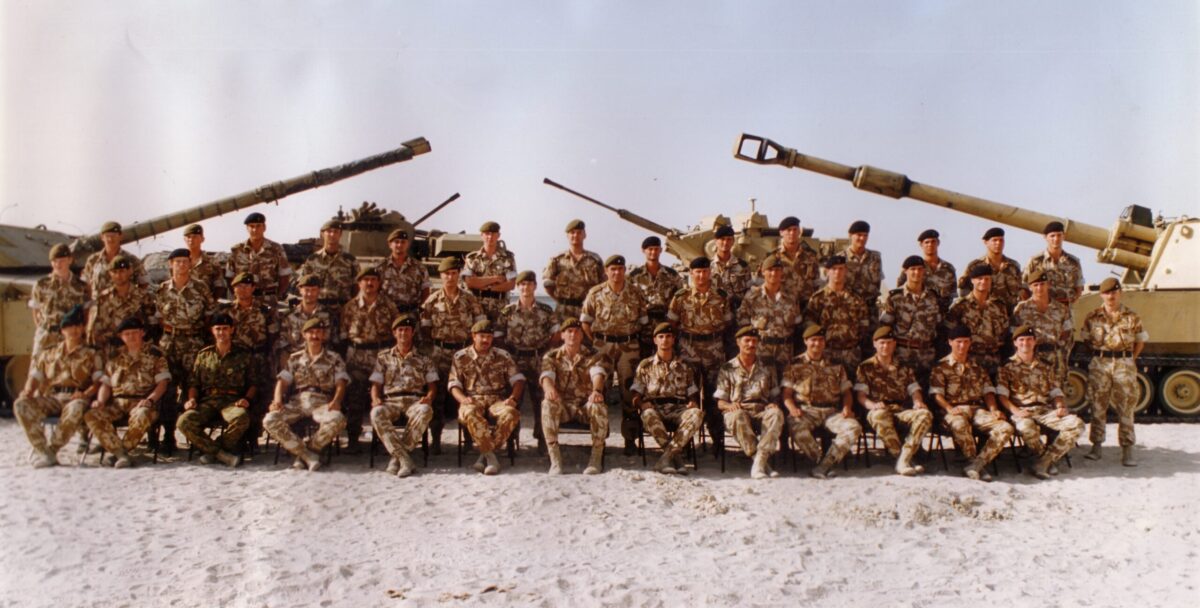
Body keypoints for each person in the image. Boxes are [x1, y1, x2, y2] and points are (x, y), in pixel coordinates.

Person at [14, 305, 102, 468]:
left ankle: (51, 451)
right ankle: (43, 450)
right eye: (69, 327)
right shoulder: (48, 353)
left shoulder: (92, 353)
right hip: (52, 398)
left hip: (77, 397)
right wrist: (28, 391)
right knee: (21, 404)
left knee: (76, 407)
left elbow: (98, 382)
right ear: (62, 330)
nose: (74, 330)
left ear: (83, 328)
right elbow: (35, 376)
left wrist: (86, 393)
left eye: (78, 326)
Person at [995, 325, 1084, 479]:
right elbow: (1002, 395)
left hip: (1044, 410)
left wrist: (1060, 405)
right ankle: (1045, 459)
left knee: (1077, 424)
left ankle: (1044, 462)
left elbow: (1055, 391)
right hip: (1022, 410)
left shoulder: (1045, 366)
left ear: (1035, 342)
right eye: (1021, 340)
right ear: (1015, 343)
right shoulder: (1006, 367)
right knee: (1027, 427)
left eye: (1029, 339)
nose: (1025, 343)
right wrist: (1016, 411)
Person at [581, 254, 648, 455]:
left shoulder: (636, 293)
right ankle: (600, 439)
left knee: (629, 394)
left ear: (624, 270)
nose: (616, 272)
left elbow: (644, 323)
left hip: (629, 348)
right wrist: (596, 341)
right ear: (606, 271)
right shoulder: (595, 293)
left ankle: (630, 440)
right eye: (612, 269)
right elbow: (585, 321)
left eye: (620, 269)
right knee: (600, 391)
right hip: (603, 347)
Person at [929, 325, 1014, 482]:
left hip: (977, 410)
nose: (962, 346)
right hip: (952, 410)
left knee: (1005, 427)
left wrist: (994, 410)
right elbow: (936, 395)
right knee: (960, 424)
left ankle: (976, 465)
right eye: (958, 342)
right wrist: (949, 408)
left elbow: (988, 392)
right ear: (950, 342)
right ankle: (975, 464)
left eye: (966, 342)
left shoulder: (977, 367)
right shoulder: (941, 367)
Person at [264, 318, 349, 472]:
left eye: (318, 332)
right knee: (270, 420)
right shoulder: (295, 358)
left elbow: (341, 383)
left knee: (338, 419)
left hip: (322, 402)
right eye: (311, 332)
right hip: (298, 402)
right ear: (304, 335)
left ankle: (307, 451)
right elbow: (282, 382)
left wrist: (336, 401)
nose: (314, 336)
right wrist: (277, 400)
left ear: (324, 335)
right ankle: (306, 455)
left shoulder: (334, 358)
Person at [84, 317, 170, 468]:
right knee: (92, 414)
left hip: (142, 402)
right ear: (121, 337)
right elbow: (106, 384)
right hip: (117, 402)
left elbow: (162, 384)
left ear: (142, 333)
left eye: (134, 333)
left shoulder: (155, 354)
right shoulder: (114, 357)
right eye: (127, 334)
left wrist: (149, 401)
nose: (131, 337)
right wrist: (101, 401)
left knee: (142, 415)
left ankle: (119, 452)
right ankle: (121, 454)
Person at [781, 325, 863, 479]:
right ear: (805, 341)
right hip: (807, 410)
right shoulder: (794, 365)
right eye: (813, 340)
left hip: (831, 412)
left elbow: (846, 392)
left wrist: (847, 408)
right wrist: (792, 408)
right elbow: (786, 394)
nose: (817, 344)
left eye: (820, 340)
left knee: (853, 427)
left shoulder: (836, 365)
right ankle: (821, 461)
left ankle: (825, 465)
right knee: (795, 424)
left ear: (825, 342)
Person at [421, 257, 485, 453]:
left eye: (454, 273)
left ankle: (468, 440)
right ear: (441, 276)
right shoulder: (431, 301)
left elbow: (480, 325)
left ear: (458, 275)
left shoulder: (470, 299)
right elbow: (424, 330)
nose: (450, 277)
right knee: (438, 397)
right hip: (440, 353)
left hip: (464, 353)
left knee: (466, 395)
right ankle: (436, 440)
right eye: (446, 274)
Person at [1081, 277, 1147, 466]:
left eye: (1114, 292)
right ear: (1101, 295)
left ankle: (1127, 449)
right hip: (1100, 364)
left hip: (1124, 365)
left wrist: (1129, 359)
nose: (1111, 296)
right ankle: (1096, 446)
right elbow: (1086, 340)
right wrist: (1100, 354)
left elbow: (1140, 341)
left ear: (1120, 293)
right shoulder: (1092, 316)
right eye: (1107, 292)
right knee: (1097, 405)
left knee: (1126, 406)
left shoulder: (1132, 316)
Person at [154, 248, 214, 454]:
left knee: (194, 388)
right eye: (177, 261)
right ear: (170, 264)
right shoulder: (162, 290)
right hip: (169, 343)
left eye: (184, 261)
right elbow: (157, 318)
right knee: (168, 391)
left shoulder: (201, 288)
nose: (181, 265)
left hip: (193, 343)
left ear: (190, 264)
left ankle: (194, 437)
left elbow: (209, 317)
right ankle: (168, 436)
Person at [448, 320, 525, 475]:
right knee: (469, 413)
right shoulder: (461, 357)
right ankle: (492, 458)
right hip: (471, 398)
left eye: (489, 336)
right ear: (473, 336)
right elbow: (453, 384)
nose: (485, 340)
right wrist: (462, 399)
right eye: (482, 336)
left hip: (497, 399)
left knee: (511, 413)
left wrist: (513, 399)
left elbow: (518, 380)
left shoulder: (502, 356)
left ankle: (484, 455)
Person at [177, 313, 254, 468]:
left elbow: (254, 383)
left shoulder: (243, 354)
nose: (221, 333)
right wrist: (192, 399)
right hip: (208, 401)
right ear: (212, 331)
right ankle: (220, 454)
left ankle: (213, 451)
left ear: (232, 330)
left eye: (225, 329)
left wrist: (247, 399)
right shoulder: (204, 355)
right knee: (184, 422)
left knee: (242, 418)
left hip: (232, 401)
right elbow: (194, 383)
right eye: (218, 329)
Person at [854, 326, 933, 476]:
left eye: (889, 342)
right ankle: (904, 460)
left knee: (925, 414)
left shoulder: (903, 366)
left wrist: (917, 402)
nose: (886, 346)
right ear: (874, 344)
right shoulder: (865, 367)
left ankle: (904, 459)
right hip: (878, 410)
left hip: (900, 410)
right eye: (882, 343)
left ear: (894, 344)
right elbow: (861, 397)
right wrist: (873, 406)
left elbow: (914, 390)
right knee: (879, 415)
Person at [495, 270, 558, 452]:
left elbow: (556, 333)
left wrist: (546, 352)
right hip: (516, 360)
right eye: (522, 284)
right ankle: (512, 439)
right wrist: (508, 356)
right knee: (514, 400)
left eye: (529, 284)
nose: (526, 287)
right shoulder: (507, 312)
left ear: (535, 286)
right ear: (517, 286)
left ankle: (541, 439)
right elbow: (498, 336)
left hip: (538, 359)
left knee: (540, 401)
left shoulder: (546, 311)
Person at [539, 317, 609, 475]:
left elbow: (597, 374)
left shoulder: (592, 355)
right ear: (562, 335)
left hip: (584, 406)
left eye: (577, 332)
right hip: (562, 406)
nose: (573, 335)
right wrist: (549, 389)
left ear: (581, 336)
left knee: (598, 405)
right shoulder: (551, 356)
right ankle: (555, 460)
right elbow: (546, 377)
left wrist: (596, 391)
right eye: (569, 332)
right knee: (547, 403)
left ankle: (595, 459)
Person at [340, 267, 399, 452]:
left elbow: (396, 333)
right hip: (356, 357)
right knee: (355, 398)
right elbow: (343, 335)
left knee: (381, 398)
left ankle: (380, 439)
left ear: (379, 283)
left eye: (373, 279)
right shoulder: (349, 307)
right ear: (359, 283)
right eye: (366, 279)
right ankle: (352, 439)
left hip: (380, 357)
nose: (370, 283)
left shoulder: (388, 306)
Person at [369, 315, 437, 478]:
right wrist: (375, 399)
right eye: (400, 330)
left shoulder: (424, 359)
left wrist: (429, 397)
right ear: (394, 333)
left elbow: (432, 386)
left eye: (407, 330)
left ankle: (396, 457)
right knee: (376, 413)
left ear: (413, 333)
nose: (403, 333)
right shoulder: (383, 357)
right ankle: (404, 459)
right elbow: (376, 385)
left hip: (415, 400)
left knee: (426, 410)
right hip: (391, 401)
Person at [630, 323, 703, 475]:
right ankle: (676, 458)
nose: (665, 340)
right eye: (661, 337)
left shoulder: (684, 365)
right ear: (655, 340)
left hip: (679, 408)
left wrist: (693, 402)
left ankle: (666, 458)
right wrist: (642, 404)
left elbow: (692, 391)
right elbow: (636, 394)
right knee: (648, 414)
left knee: (697, 413)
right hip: (655, 408)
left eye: (668, 336)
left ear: (674, 339)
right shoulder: (645, 365)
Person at [714, 326, 784, 479]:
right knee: (737, 416)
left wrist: (774, 403)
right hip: (738, 410)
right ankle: (762, 464)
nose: (751, 344)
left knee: (776, 414)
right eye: (747, 341)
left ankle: (760, 460)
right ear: (738, 342)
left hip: (761, 409)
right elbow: (720, 402)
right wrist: (729, 405)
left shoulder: (767, 367)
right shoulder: (727, 368)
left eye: (754, 341)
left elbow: (775, 395)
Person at [879, 255, 943, 381]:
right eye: (913, 269)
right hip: (903, 354)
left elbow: (938, 326)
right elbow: (885, 328)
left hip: (927, 355)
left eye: (920, 269)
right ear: (905, 271)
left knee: (925, 393)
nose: (917, 273)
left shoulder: (933, 297)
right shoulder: (895, 297)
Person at [737, 254, 802, 375]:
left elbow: (797, 324)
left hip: (785, 351)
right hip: (761, 351)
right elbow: (743, 324)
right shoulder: (752, 296)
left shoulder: (791, 297)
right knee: (763, 389)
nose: (774, 273)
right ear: (763, 272)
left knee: (784, 387)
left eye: (777, 270)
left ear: (782, 272)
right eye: (770, 270)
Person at [805, 255, 870, 376]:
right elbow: (810, 325)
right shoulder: (818, 298)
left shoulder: (856, 298)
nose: (837, 272)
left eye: (841, 269)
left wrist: (854, 340)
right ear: (827, 271)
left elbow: (864, 324)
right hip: (826, 352)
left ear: (846, 271)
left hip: (851, 353)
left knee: (851, 388)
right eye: (834, 269)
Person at [86, 255, 156, 358]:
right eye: (115, 272)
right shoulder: (102, 299)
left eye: (122, 271)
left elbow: (152, 326)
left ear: (130, 271)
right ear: (110, 274)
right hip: (112, 351)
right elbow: (94, 331)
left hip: (138, 352)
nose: (119, 275)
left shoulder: (143, 296)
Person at [1011, 269, 1073, 385]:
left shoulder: (1061, 309)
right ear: (1030, 287)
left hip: (1055, 359)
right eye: (1035, 285)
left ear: (1048, 285)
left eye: (1042, 284)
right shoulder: (1021, 309)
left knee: (1057, 393)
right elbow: (1014, 336)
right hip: (1031, 358)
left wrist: (1062, 355)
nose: (1039, 288)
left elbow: (1067, 334)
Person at [946, 265, 1010, 376]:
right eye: (979, 279)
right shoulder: (960, 306)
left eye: (987, 279)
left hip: (994, 360)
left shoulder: (999, 306)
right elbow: (949, 334)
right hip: (970, 360)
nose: (983, 282)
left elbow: (1005, 334)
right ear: (972, 281)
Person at [299, 219, 360, 331]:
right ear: (323, 234)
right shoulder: (312, 260)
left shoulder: (350, 260)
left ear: (340, 234)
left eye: (336, 231)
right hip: (318, 311)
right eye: (329, 231)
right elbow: (303, 285)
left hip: (342, 310)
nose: (332, 234)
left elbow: (356, 287)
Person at [28, 243, 87, 357]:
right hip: (47, 336)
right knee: (37, 371)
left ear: (70, 260)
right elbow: (35, 310)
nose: (58, 264)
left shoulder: (81, 286)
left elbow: (85, 311)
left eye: (61, 260)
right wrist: (42, 329)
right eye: (54, 261)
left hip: (71, 337)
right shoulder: (41, 284)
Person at [628, 236, 683, 355]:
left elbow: (680, 298)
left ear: (661, 250)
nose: (653, 252)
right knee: (644, 358)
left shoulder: (671, 275)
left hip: (666, 323)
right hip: (644, 325)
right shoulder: (634, 276)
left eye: (656, 249)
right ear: (643, 250)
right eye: (650, 249)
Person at [542, 219, 604, 322]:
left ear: (585, 235)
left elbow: (603, 286)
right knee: (563, 337)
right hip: (563, 311)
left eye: (579, 233)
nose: (575, 235)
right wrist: (560, 300)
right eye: (572, 233)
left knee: (587, 337)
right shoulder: (557, 260)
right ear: (567, 236)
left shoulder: (595, 260)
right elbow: (547, 284)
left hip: (587, 310)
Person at [226, 212, 292, 303]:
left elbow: (284, 276)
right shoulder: (237, 250)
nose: (254, 230)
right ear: (247, 228)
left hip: (268, 299)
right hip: (244, 301)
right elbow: (229, 277)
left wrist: (277, 295)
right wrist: (237, 295)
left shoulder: (276, 249)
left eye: (258, 226)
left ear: (264, 227)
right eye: (251, 226)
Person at [958, 227, 1024, 312]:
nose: (998, 243)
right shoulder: (975, 266)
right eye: (994, 240)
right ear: (986, 242)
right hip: (985, 316)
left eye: (1001, 240)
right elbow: (964, 292)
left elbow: (1021, 291)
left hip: (1009, 315)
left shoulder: (1013, 266)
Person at [760, 216, 820, 308]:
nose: (792, 233)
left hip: (807, 306)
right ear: (781, 232)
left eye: (795, 229)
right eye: (788, 230)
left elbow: (816, 283)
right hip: (781, 308)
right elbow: (763, 285)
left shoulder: (811, 256)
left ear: (799, 232)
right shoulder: (772, 257)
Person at [462, 220, 517, 322]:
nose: (490, 237)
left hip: (500, 307)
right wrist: (495, 279)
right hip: (476, 306)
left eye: (493, 234)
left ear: (498, 235)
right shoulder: (472, 258)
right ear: (481, 235)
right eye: (487, 234)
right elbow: (470, 283)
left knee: (499, 335)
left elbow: (511, 284)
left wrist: (483, 285)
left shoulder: (508, 258)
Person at [276, 275, 335, 369]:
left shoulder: (328, 315)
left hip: (322, 365)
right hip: (296, 365)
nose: (310, 294)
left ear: (319, 291)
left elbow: (333, 343)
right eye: (307, 290)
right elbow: (284, 347)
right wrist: (286, 370)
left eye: (313, 290)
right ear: (300, 290)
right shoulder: (289, 316)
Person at [81, 221, 147, 297]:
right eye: (107, 236)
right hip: (99, 305)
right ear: (102, 238)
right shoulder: (93, 260)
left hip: (124, 306)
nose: (110, 239)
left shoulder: (131, 260)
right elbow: (85, 284)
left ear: (120, 236)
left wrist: (135, 300)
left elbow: (144, 283)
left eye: (114, 236)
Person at [898, 229, 957, 314]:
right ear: (921, 245)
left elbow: (952, 294)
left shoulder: (948, 268)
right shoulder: (913, 267)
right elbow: (901, 290)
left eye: (933, 241)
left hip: (942, 316)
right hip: (918, 315)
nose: (930, 245)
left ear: (938, 243)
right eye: (927, 242)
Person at [1025, 221, 1084, 304]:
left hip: (1066, 309)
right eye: (1052, 236)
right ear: (1045, 237)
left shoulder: (1073, 262)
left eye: (1059, 235)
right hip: (1043, 309)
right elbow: (1024, 286)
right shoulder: (1035, 261)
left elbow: (1079, 288)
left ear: (1064, 236)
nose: (1056, 239)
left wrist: (1070, 305)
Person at [840, 220, 883, 332]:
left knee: (871, 346)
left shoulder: (875, 258)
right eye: (859, 235)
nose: (862, 239)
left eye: (865, 235)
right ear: (850, 235)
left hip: (870, 312)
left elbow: (878, 282)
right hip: (848, 311)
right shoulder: (841, 258)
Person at [377, 227, 431, 315]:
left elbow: (425, 292)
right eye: (396, 242)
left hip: (411, 314)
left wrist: (421, 311)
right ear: (390, 244)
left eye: (403, 242)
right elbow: (375, 291)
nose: (399, 245)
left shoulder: (419, 267)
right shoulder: (380, 267)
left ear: (407, 244)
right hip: (386, 314)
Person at [709, 225, 752, 314]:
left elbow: (749, 291)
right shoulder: (708, 267)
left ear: (733, 241)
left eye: (729, 239)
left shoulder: (743, 266)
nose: (725, 243)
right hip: (714, 314)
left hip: (737, 313)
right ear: (716, 241)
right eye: (722, 239)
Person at [182, 224, 227, 299]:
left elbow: (220, 286)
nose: (191, 240)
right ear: (184, 239)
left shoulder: (212, 262)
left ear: (202, 239)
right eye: (188, 237)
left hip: (205, 305)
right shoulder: (179, 262)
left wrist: (212, 303)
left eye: (194, 237)